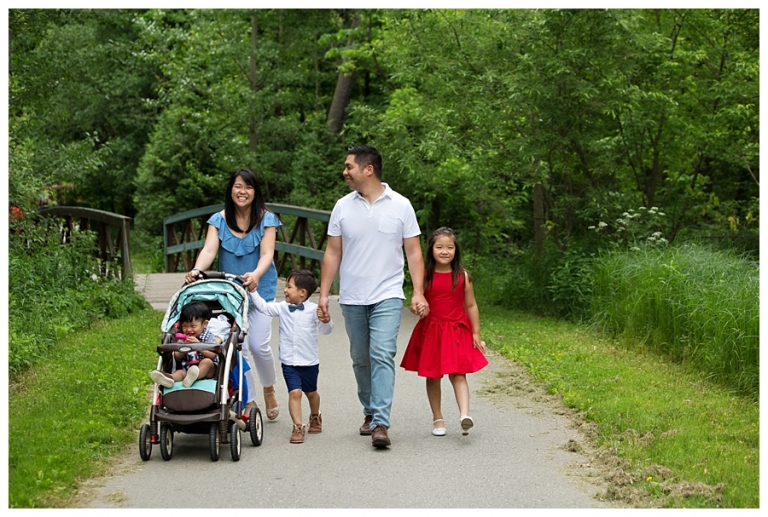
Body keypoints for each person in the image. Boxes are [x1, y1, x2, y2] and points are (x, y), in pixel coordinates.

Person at [318, 145, 428, 449]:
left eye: (349, 166)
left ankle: (381, 422)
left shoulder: (401, 205)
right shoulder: (342, 206)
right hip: (352, 296)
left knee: (381, 353)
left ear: (368, 169)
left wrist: (418, 292)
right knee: (360, 359)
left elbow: (414, 251)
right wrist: (325, 294)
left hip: (388, 294)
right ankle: (368, 411)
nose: (345, 172)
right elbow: (333, 251)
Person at [184, 169, 281, 420]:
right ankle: (249, 400)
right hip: (229, 293)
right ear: (231, 189)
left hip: (258, 288)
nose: (242, 192)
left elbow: (267, 254)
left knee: (259, 346)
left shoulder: (267, 219)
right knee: (239, 347)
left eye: (248, 187)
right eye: (238, 186)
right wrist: (197, 269)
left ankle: (269, 387)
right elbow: (208, 250)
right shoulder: (218, 220)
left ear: (255, 192)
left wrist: (256, 275)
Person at [400, 227, 488, 436]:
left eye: (450, 247)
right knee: (433, 376)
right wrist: (418, 308)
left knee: (459, 374)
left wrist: (476, 333)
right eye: (439, 247)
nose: (445, 251)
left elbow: (471, 305)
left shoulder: (462, 276)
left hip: (457, 330)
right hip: (432, 331)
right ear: (431, 250)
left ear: (456, 250)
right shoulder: (424, 276)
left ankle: (465, 415)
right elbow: (417, 301)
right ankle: (438, 419)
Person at [249, 269, 334, 444]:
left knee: (311, 393)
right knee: (294, 393)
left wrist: (326, 319)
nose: (285, 290)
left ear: (302, 292)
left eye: (289, 286)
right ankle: (297, 426)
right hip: (289, 362)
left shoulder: (313, 310)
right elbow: (264, 307)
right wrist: (253, 291)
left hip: (309, 361)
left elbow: (326, 330)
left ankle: (315, 415)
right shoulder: (282, 307)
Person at [150, 301, 219, 389]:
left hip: (207, 372)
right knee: (180, 372)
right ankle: (169, 379)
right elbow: (177, 356)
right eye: (185, 326)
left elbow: (213, 355)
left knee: (207, 362)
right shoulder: (182, 339)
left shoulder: (208, 336)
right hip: (187, 370)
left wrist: (198, 345)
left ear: (204, 324)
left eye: (193, 326)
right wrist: (185, 347)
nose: (189, 330)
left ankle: (195, 377)